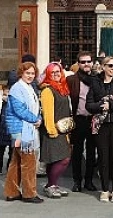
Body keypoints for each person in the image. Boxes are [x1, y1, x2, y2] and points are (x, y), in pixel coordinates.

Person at [86, 56, 113, 203]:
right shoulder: (96, 82)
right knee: (103, 157)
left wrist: (110, 105)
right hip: (101, 125)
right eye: (110, 66)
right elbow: (89, 104)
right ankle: (105, 189)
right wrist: (101, 106)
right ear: (103, 67)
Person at [3, 61, 43, 203]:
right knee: (28, 162)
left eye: (32, 73)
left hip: (23, 129)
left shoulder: (28, 87)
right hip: (20, 130)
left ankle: (12, 192)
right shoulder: (17, 88)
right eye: (28, 73)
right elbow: (20, 110)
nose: (30, 76)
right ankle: (29, 193)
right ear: (21, 73)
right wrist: (36, 119)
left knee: (16, 162)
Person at [38, 62, 72, 199]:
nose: (56, 74)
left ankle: (52, 184)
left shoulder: (62, 88)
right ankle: (50, 185)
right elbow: (47, 113)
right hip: (53, 131)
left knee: (56, 159)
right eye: (52, 72)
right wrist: (52, 130)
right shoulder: (47, 90)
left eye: (58, 72)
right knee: (63, 159)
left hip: (63, 130)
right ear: (48, 74)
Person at [66, 51, 98, 192]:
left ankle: (89, 181)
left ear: (92, 63)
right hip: (78, 119)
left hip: (93, 119)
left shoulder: (97, 79)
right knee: (77, 152)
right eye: (83, 62)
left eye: (88, 61)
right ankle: (77, 181)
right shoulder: (72, 79)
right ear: (78, 64)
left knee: (91, 152)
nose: (86, 64)